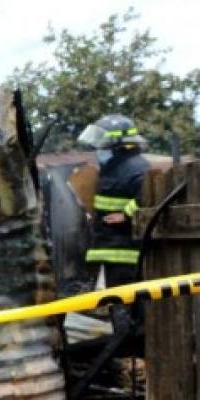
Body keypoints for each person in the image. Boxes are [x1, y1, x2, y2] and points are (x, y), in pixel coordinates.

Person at [77, 114, 150, 288]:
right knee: (115, 305)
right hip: (110, 248)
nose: (98, 150)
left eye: (102, 145)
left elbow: (149, 196)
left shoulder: (135, 168)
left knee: (124, 306)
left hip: (125, 252)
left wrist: (126, 214)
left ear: (118, 145)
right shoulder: (115, 167)